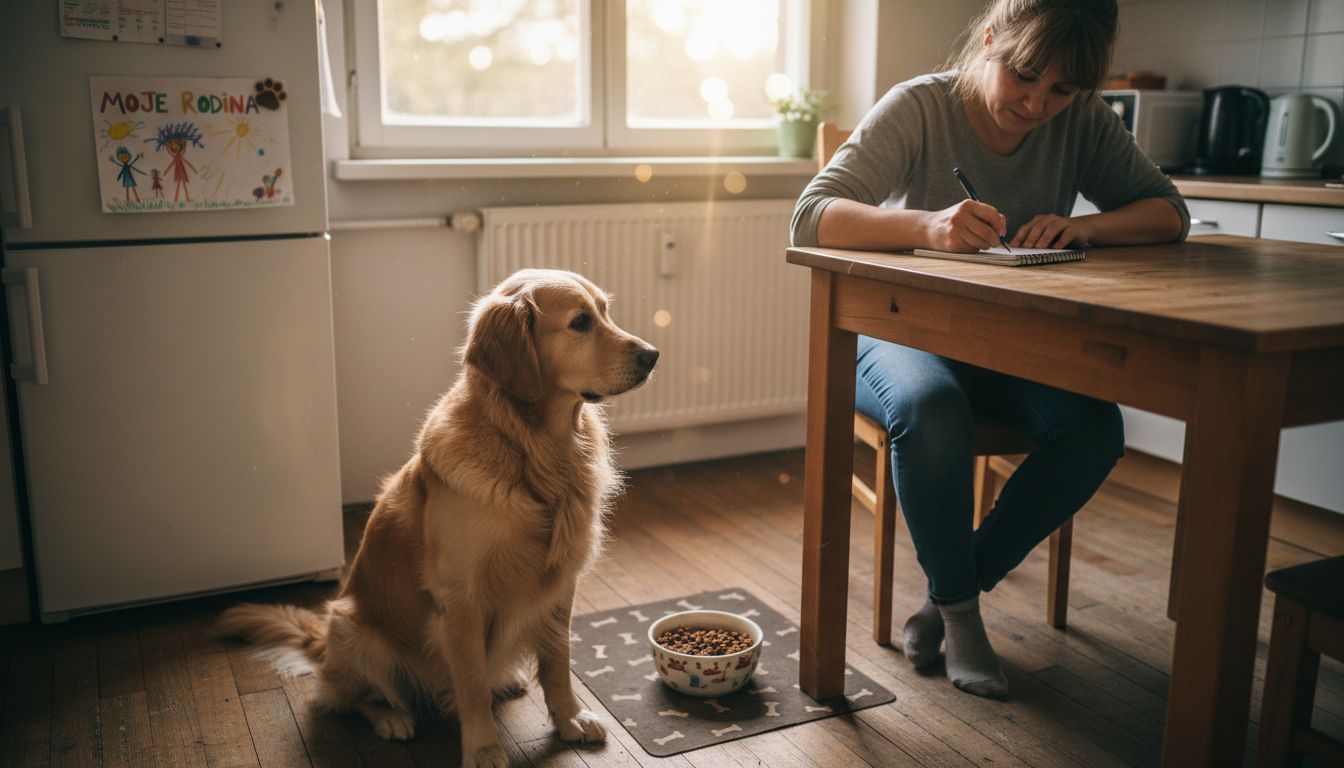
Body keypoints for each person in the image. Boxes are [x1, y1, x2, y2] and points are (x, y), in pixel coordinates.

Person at [790, 0, 1188, 700]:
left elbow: (1168, 213)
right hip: (897, 337)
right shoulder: (920, 105)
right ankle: (964, 618)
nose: (1037, 104)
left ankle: (950, 592)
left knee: (1094, 429)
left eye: (1061, 90)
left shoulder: (1081, 120)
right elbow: (812, 216)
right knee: (933, 407)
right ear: (989, 39)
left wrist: (1084, 228)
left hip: (1011, 350)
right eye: (1025, 75)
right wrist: (928, 225)